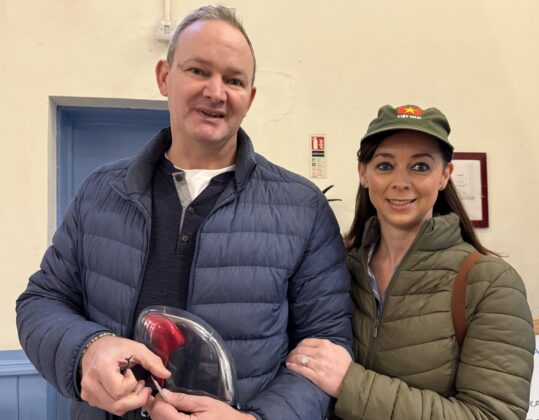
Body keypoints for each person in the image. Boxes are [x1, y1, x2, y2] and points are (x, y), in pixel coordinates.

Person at [16, 5, 352, 420]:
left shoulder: (302, 207)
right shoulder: (100, 192)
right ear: (164, 77)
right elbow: (42, 301)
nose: (216, 92)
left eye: (234, 80)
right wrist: (86, 350)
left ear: (249, 98)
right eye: (198, 70)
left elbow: (327, 345)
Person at [286, 104, 535, 419]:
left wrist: (351, 384)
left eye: (420, 167)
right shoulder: (338, 270)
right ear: (363, 173)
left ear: (444, 175)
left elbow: (493, 415)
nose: (400, 182)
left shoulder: (490, 284)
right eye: (385, 165)